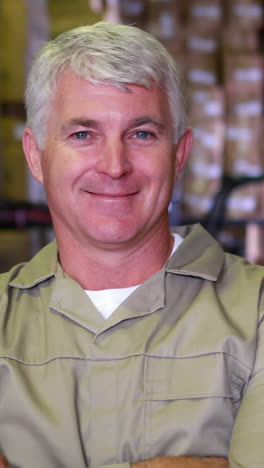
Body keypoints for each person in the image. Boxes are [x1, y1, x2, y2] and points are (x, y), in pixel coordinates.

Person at [0, 21, 263, 468]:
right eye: (83, 134)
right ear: (35, 155)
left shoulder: (254, 312)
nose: (114, 165)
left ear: (179, 154)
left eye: (141, 134)